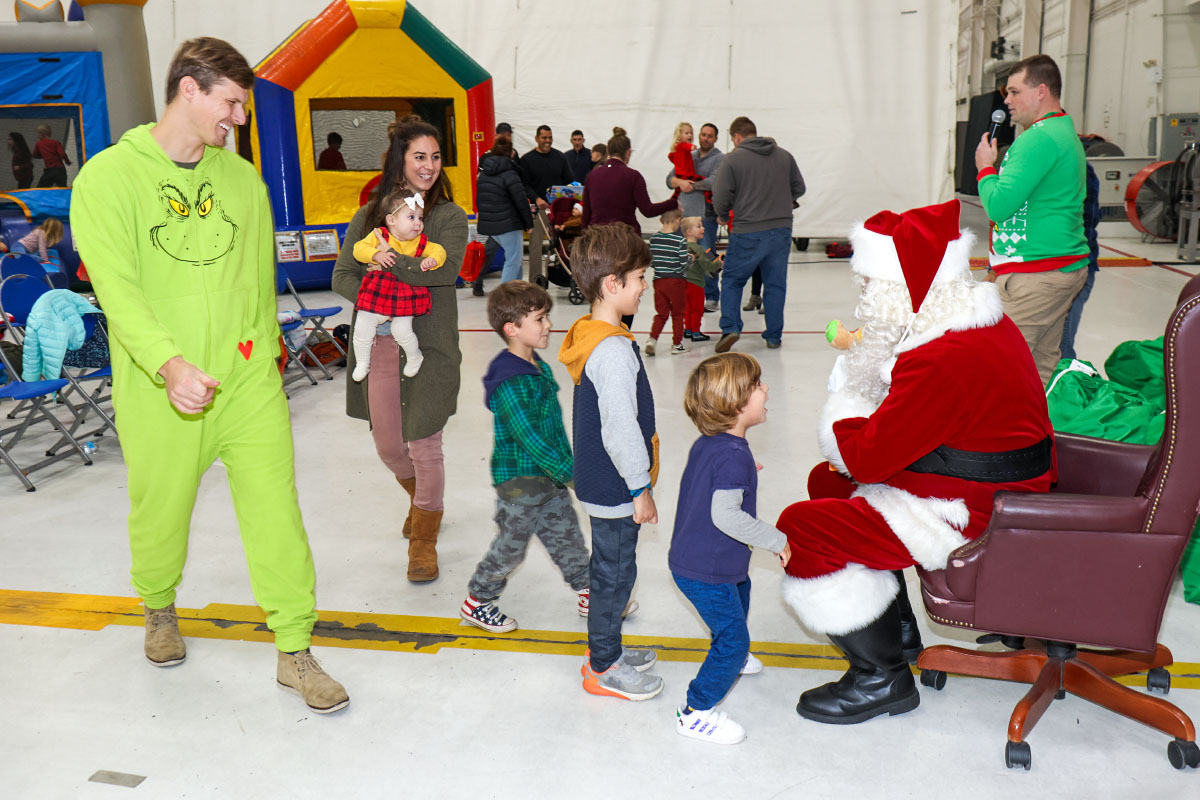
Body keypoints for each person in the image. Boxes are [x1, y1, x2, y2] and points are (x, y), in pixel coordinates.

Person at [70, 37, 349, 713]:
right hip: (159, 386)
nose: (240, 118)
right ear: (189, 89)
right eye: (231, 103)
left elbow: (258, 281)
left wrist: (265, 355)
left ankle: (294, 648)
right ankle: (159, 606)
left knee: (276, 511)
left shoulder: (243, 181)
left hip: (246, 382)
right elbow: (117, 292)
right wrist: (168, 365)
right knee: (160, 510)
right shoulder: (107, 180)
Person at [775, 199, 1054, 725]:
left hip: (973, 513)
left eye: (871, 286)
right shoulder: (975, 326)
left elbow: (865, 459)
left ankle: (880, 678)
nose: (864, 298)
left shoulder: (939, 359)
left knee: (802, 527)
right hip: (999, 487)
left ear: (905, 290)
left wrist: (850, 401)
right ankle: (898, 631)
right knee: (826, 483)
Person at [332, 114, 466, 583]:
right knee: (389, 445)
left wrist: (385, 274)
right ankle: (420, 501)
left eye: (435, 157)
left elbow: (444, 273)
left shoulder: (448, 217)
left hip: (430, 345)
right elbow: (342, 276)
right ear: (400, 161)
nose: (429, 166)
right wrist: (383, 291)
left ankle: (423, 541)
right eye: (419, 157)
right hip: (381, 347)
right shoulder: (370, 217)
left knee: (425, 443)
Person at [558, 223, 663, 701]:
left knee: (613, 568)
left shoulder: (592, 333)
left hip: (600, 477)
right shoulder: (613, 351)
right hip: (615, 483)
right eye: (640, 277)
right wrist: (639, 487)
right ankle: (603, 665)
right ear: (612, 283)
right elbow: (620, 428)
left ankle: (608, 648)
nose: (645, 286)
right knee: (614, 574)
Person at [670, 352, 791, 745]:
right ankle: (696, 712)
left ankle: (731, 655)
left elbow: (711, 476)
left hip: (707, 560)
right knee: (734, 637)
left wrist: (741, 471)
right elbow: (726, 517)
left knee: (740, 596)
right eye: (757, 386)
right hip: (705, 569)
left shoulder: (715, 444)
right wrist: (777, 539)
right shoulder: (733, 456)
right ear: (737, 404)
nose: (766, 389)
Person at [460, 281, 591, 633]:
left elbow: (552, 430)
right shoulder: (511, 381)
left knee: (567, 535)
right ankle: (478, 601)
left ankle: (587, 590)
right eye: (540, 319)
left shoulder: (536, 365)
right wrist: (575, 476)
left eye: (546, 317)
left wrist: (566, 470)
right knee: (510, 548)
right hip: (520, 483)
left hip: (549, 478)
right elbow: (532, 439)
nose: (548, 325)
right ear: (512, 329)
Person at [976, 54, 1088, 384]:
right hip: (1056, 266)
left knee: (997, 367)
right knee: (1038, 368)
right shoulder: (1060, 130)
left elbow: (998, 206)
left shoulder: (1038, 138)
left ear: (1041, 91)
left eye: (1014, 92)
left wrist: (985, 168)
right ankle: (1040, 418)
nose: (1007, 101)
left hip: (1038, 274)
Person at [710, 116, 805, 352]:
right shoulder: (784, 156)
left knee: (732, 280)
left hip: (748, 229)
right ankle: (773, 336)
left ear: (737, 137)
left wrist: (722, 214)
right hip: (781, 230)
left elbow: (720, 194)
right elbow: (799, 188)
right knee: (775, 284)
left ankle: (731, 328)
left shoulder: (733, 159)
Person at [349, 188, 446, 381]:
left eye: (420, 218)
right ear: (391, 220)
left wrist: (433, 260)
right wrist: (375, 254)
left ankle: (415, 357)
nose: (418, 223)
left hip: (405, 292)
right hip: (378, 292)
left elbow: (439, 251)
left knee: (401, 329)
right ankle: (362, 362)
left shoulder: (421, 242)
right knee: (363, 324)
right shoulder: (379, 235)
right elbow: (358, 249)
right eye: (411, 217)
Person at [667, 122, 724, 312]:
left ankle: (712, 296)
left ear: (715, 139)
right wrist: (679, 182)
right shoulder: (688, 154)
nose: (705, 138)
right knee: (682, 256)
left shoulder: (720, 158)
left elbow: (714, 181)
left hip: (705, 215)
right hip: (684, 216)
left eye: (710, 136)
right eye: (703, 134)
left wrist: (691, 184)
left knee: (707, 254)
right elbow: (669, 179)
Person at [474, 134, 533, 287]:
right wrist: (529, 223)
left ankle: (517, 292)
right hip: (509, 224)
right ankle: (504, 297)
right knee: (513, 261)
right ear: (510, 153)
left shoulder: (484, 173)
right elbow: (521, 200)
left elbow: (480, 199)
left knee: (515, 259)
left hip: (491, 225)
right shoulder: (510, 173)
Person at [521, 125, 573, 286]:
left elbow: (569, 181)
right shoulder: (527, 160)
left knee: (562, 244)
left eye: (550, 137)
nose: (547, 141)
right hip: (539, 210)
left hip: (558, 210)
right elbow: (524, 185)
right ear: (536, 138)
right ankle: (535, 282)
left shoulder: (560, 157)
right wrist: (536, 199)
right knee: (536, 245)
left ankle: (563, 276)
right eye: (544, 138)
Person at [1059, 160, 1101, 360]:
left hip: (1071, 270)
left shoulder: (1078, 170)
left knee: (1061, 350)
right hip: (1056, 271)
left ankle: (1067, 379)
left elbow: (1084, 223)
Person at [645, 208, 691, 356]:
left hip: (659, 281)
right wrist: (691, 258)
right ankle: (677, 344)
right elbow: (683, 263)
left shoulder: (654, 239)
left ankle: (652, 339)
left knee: (661, 313)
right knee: (677, 314)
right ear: (677, 220)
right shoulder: (679, 241)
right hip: (676, 281)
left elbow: (652, 261)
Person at [681, 216, 722, 341]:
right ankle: (696, 331)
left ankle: (688, 329)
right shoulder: (698, 249)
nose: (703, 228)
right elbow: (707, 266)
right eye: (699, 226)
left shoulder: (681, 246)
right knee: (697, 309)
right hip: (696, 284)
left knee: (688, 308)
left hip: (683, 283)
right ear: (689, 232)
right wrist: (719, 263)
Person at [667, 122, 700, 200]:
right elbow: (687, 146)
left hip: (681, 174)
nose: (690, 135)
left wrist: (678, 163)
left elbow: (670, 156)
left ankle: (672, 201)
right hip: (685, 175)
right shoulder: (682, 145)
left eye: (691, 133)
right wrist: (692, 147)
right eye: (686, 133)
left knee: (678, 192)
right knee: (700, 179)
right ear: (679, 136)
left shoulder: (679, 149)